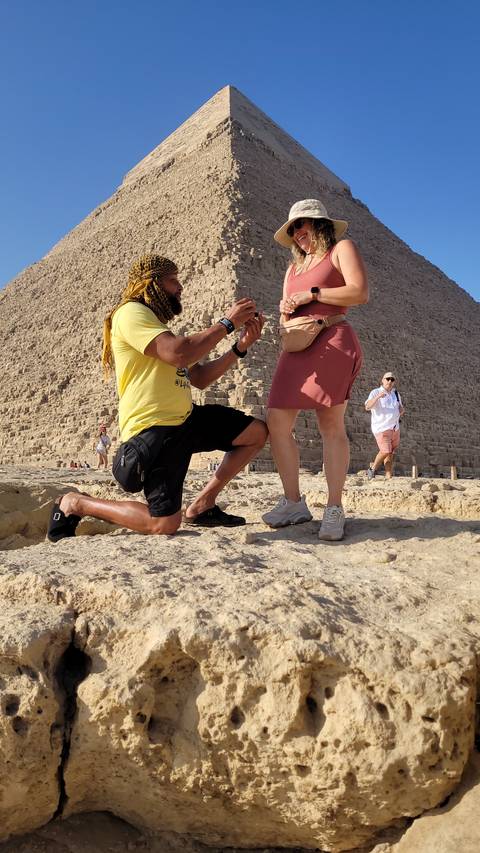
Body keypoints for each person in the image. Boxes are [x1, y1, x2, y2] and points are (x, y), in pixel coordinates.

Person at [47, 254, 267, 542]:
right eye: (173, 280)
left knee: (256, 433)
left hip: (187, 419)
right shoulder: (130, 314)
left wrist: (240, 347)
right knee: (163, 523)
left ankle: (202, 505)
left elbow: (199, 378)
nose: (180, 287)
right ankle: (76, 503)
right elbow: (179, 353)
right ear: (151, 284)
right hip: (155, 428)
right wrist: (226, 323)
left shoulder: (158, 327)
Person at [262, 199, 368, 541]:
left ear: (319, 223)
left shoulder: (341, 249)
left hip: (332, 337)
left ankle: (334, 506)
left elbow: (360, 292)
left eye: (301, 225)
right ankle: (293, 502)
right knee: (276, 420)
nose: (296, 233)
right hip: (297, 345)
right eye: (292, 229)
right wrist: (285, 309)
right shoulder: (292, 270)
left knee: (330, 423)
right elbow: (285, 313)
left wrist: (313, 294)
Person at [365, 372, 405, 479]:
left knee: (390, 452)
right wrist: (378, 397)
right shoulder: (375, 392)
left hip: (395, 427)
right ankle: (372, 469)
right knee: (385, 450)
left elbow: (400, 407)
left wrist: (401, 410)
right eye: (388, 379)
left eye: (392, 380)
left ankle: (388, 475)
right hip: (382, 428)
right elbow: (367, 406)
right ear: (382, 380)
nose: (390, 381)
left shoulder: (396, 394)